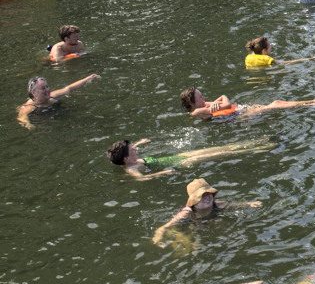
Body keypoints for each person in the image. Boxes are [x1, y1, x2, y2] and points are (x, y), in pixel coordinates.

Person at [152, 178, 262, 246]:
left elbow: (236, 206)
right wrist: (158, 235)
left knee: (221, 224)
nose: (207, 197)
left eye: (209, 193)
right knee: (195, 242)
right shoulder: (187, 213)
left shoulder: (217, 204)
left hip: (210, 221)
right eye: (202, 196)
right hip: (193, 225)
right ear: (194, 201)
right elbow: (164, 227)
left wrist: (250, 204)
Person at [108, 138, 270, 181]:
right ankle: (259, 149)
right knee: (218, 155)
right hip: (180, 162)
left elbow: (131, 148)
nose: (135, 149)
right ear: (126, 158)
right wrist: (162, 173)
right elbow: (142, 180)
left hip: (177, 157)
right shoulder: (132, 169)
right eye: (132, 149)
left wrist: (139, 142)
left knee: (221, 148)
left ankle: (256, 142)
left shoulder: (130, 159)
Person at [180, 86, 315, 120]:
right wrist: (221, 99)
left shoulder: (204, 106)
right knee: (275, 104)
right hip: (241, 116)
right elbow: (225, 103)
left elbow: (224, 98)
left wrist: (221, 99)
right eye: (200, 97)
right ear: (192, 103)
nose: (204, 98)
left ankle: (314, 101)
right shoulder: (197, 111)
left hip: (241, 110)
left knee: (277, 101)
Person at [18, 73, 99, 128]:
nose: (47, 90)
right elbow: (21, 118)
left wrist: (87, 79)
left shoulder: (52, 96)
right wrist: (29, 125)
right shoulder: (29, 107)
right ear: (34, 92)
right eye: (43, 88)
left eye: (47, 86)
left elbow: (69, 88)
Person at [244, 36, 308, 68]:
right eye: (269, 46)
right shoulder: (267, 59)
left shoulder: (249, 57)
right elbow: (284, 63)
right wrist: (305, 59)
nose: (271, 47)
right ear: (264, 51)